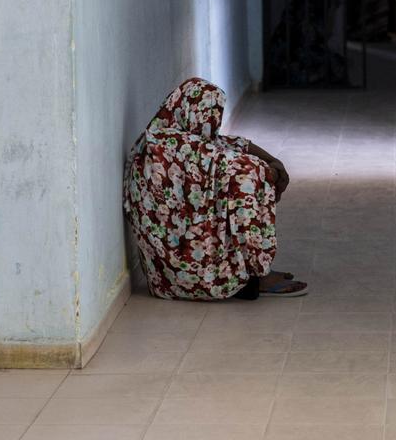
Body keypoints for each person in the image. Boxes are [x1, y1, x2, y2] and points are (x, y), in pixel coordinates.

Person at [123, 78, 308, 300]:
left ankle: (252, 271)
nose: (213, 122)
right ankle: (256, 273)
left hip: (172, 264)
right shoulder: (165, 144)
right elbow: (230, 162)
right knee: (246, 178)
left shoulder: (164, 133)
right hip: (180, 263)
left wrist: (273, 160)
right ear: (193, 110)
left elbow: (230, 144)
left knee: (246, 173)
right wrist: (271, 172)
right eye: (210, 115)